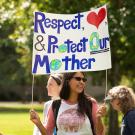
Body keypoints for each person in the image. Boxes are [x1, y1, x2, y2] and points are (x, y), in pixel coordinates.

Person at [30, 72, 106, 135]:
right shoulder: (55, 105)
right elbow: (48, 133)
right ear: (67, 81)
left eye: (84, 79)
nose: (82, 82)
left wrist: (99, 118)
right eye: (78, 79)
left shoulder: (90, 103)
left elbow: (100, 133)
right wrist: (38, 123)